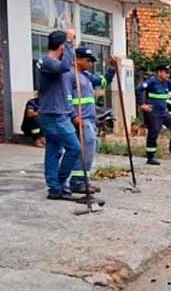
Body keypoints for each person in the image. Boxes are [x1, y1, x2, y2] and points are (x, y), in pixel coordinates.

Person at [36, 30, 83, 201]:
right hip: (54, 115)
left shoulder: (52, 63)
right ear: (62, 46)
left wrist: (71, 112)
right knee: (74, 148)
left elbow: (63, 92)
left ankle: (55, 188)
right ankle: (60, 183)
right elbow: (64, 66)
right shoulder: (48, 62)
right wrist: (70, 42)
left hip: (57, 113)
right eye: (67, 46)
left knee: (54, 150)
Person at [67, 48, 117, 194]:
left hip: (90, 119)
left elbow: (103, 82)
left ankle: (84, 180)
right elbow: (67, 98)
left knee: (90, 150)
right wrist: (73, 116)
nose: (90, 64)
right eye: (87, 60)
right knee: (84, 150)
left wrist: (112, 69)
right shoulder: (70, 75)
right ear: (77, 59)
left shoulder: (86, 75)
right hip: (80, 119)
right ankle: (77, 182)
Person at [136, 64, 171, 166]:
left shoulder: (167, 82)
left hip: (164, 112)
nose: (168, 75)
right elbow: (139, 89)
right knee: (154, 133)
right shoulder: (152, 81)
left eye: (169, 73)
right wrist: (142, 104)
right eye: (166, 73)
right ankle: (151, 156)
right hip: (153, 113)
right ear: (159, 72)